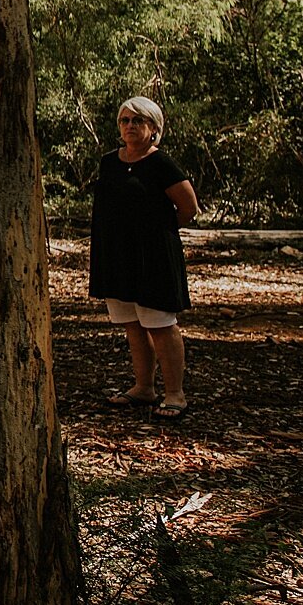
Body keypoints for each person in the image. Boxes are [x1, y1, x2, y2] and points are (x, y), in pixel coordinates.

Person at [89, 95, 198, 419]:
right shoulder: (109, 162)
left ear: (154, 128)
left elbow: (188, 208)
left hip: (154, 258)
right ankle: (143, 388)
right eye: (125, 120)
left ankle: (175, 393)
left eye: (138, 121)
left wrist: (155, 233)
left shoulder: (161, 164)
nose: (130, 126)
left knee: (161, 325)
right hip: (117, 255)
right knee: (132, 324)